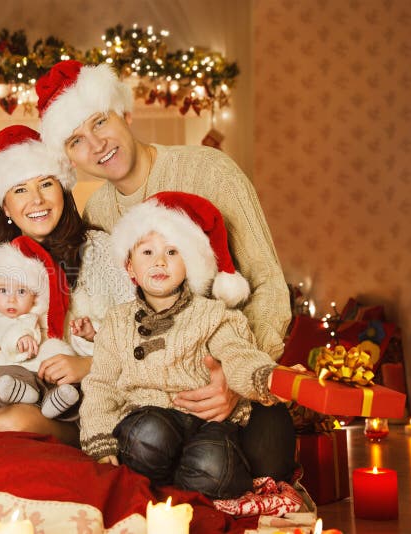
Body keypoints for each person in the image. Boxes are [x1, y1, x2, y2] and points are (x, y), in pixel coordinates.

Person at [36, 60, 295, 480]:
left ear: (125, 113)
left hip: (230, 369)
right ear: (68, 156)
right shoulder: (98, 211)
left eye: (100, 121)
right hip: (150, 394)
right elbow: (112, 316)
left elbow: (266, 284)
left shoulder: (210, 170)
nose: (97, 144)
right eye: (76, 140)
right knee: (140, 452)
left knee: (260, 465)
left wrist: (233, 378)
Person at [0, 125, 134, 445]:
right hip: (1, 392)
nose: (36, 200)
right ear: (6, 207)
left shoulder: (101, 250)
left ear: (62, 188)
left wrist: (87, 365)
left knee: (5, 427)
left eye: (45, 184)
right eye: (20, 189)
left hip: (75, 402)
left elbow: (141, 340)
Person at [80, 191, 281, 499]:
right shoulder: (117, 322)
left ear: (191, 263)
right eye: (147, 252)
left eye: (173, 252)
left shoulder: (213, 314)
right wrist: (99, 436)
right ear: (130, 268)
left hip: (208, 422)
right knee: (147, 436)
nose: (160, 261)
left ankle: (188, 477)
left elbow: (238, 354)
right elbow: (101, 385)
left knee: (215, 466)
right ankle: (164, 472)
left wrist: (262, 376)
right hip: (149, 417)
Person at [0, 237, 81, 420]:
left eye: (21, 292)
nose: (11, 299)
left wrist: (23, 339)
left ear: (34, 296)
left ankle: (54, 400)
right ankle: (19, 392)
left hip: (27, 375)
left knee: (50, 376)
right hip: (1, 378)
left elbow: (28, 332)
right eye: (3, 291)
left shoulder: (30, 317)